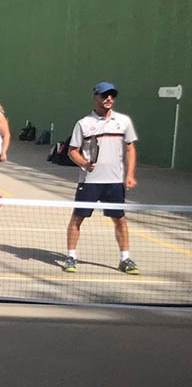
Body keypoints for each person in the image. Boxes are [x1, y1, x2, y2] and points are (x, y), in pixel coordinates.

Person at [63, 82, 139, 275]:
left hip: (114, 182)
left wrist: (130, 174)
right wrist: (84, 164)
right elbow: (72, 151)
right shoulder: (83, 124)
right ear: (96, 97)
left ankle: (125, 259)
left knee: (120, 220)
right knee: (77, 218)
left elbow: (130, 148)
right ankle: (71, 256)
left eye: (112, 95)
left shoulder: (123, 122)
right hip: (89, 182)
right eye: (105, 95)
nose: (109, 98)